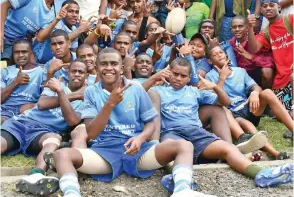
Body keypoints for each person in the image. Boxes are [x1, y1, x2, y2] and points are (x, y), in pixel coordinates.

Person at [41, 48, 210, 197]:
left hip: (138, 151)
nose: (109, 68)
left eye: (114, 63)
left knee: (184, 146)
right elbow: (92, 133)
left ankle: (182, 190)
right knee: (62, 155)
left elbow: (151, 123)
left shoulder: (135, 87)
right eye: (104, 64)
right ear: (97, 68)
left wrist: (141, 138)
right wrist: (110, 104)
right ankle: (71, 192)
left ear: (121, 68)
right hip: (104, 153)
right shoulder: (92, 91)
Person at [150, 58, 293, 193]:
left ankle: (261, 174)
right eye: (175, 74)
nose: (178, 78)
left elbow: (226, 103)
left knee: (227, 148)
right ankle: (181, 181)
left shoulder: (194, 91)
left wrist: (215, 87)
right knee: (170, 154)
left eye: (183, 76)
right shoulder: (158, 91)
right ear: (169, 73)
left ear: (188, 78)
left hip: (197, 133)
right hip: (171, 133)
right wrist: (153, 79)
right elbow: (136, 93)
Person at [1, 60, 87, 195]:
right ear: (68, 73)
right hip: (22, 122)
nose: (77, 74)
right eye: (73, 71)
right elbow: (42, 104)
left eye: (81, 72)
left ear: (87, 75)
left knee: (53, 140)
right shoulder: (56, 84)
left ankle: (36, 176)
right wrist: (65, 93)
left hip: (44, 131)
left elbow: (72, 120)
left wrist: (63, 95)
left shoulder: (88, 98)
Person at [206, 45, 294, 159]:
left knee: (267, 92)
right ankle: (274, 152)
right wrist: (222, 78)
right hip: (232, 114)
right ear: (210, 60)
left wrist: (255, 93)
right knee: (246, 124)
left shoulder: (240, 71)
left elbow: (255, 87)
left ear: (226, 55)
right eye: (214, 54)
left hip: (248, 107)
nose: (219, 55)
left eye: (221, 52)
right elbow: (216, 100)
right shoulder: (210, 77)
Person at [0, 0, 68, 61]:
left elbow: (40, 37)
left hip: (16, 43)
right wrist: (0, 34)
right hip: (3, 32)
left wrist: (57, 19)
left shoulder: (52, 13)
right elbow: (4, 5)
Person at [247, 0, 293, 113]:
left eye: (271, 5)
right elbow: (254, 49)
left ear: (278, 7)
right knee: (283, 113)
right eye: (265, 6)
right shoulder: (266, 32)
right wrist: (250, 28)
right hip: (282, 80)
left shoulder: (290, 20)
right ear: (261, 11)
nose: (268, 8)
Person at [32, 0, 91, 64]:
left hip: (56, 64)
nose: (74, 15)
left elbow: (73, 52)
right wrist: (80, 30)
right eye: (70, 11)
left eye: (77, 12)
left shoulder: (74, 29)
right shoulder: (56, 22)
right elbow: (40, 38)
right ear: (63, 12)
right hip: (37, 62)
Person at [1, 40, 43, 123]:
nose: (20, 55)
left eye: (24, 52)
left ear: (30, 53)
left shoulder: (41, 72)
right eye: (17, 52)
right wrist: (15, 82)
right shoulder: (5, 71)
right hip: (5, 110)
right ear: (13, 54)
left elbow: (45, 99)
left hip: (29, 111)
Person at [229, 16, 275, 89]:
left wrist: (251, 58)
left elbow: (268, 61)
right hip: (239, 76)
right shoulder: (230, 44)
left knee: (267, 71)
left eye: (240, 26)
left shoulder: (256, 41)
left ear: (247, 27)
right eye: (234, 27)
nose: (237, 29)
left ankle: (267, 94)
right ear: (231, 29)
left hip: (256, 74)